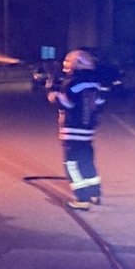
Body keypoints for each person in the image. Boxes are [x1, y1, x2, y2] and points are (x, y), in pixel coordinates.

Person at [47, 49, 105, 210]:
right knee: (87, 162)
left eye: (68, 61)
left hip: (72, 130)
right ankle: (95, 193)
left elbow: (68, 104)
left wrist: (55, 95)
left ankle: (82, 199)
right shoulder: (94, 83)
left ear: (75, 63)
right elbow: (99, 105)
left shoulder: (73, 83)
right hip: (88, 132)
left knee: (71, 164)